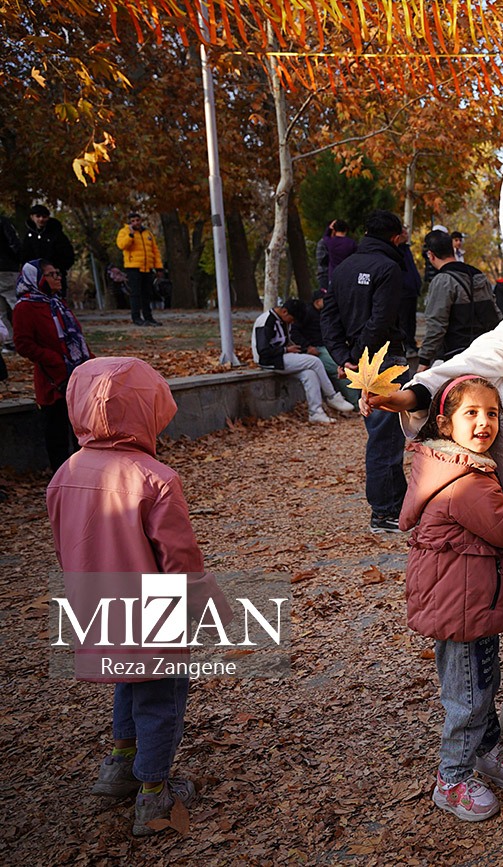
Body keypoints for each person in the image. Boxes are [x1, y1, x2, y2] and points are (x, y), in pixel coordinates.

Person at [46, 356, 231, 837]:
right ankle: (153, 792)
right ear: (148, 410)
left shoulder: (65, 473)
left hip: (96, 607)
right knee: (160, 695)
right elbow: (180, 558)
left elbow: (64, 544)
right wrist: (208, 609)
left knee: (128, 681)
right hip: (153, 611)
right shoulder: (155, 478)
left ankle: (119, 765)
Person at [399, 374, 503, 822]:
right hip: (461, 606)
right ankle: (452, 779)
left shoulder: (456, 465)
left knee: (481, 681)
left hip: (467, 601)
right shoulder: (464, 480)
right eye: (472, 413)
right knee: (468, 694)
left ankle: (484, 748)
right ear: (445, 424)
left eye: (492, 413)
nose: (484, 422)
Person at [321, 210, 412, 533]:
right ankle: (385, 513)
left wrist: (343, 356)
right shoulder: (389, 268)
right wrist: (357, 357)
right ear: (394, 237)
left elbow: (329, 318)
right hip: (384, 359)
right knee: (386, 438)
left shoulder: (343, 268)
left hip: (359, 360)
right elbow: (381, 319)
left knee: (383, 435)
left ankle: (396, 506)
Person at [12, 260, 92, 470]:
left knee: (82, 431)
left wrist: (91, 362)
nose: (58, 277)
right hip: (53, 380)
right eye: (52, 274)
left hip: (77, 375)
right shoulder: (25, 307)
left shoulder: (57, 303)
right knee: (57, 433)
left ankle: (86, 474)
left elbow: (76, 337)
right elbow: (23, 344)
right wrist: (54, 360)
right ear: (38, 279)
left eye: (58, 273)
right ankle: (62, 478)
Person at [252, 300, 355, 424]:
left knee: (310, 375)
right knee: (315, 361)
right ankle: (332, 396)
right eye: (292, 319)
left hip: (281, 357)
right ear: (284, 312)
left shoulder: (282, 320)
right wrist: (286, 350)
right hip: (269, 360)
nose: (292, 322)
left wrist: (294, 349)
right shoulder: (266, 321)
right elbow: (263, 351)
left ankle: (315, 412)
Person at [417, 230, 499, 370]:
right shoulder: (479, 275)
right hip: (485, 351)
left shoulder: (443, 280)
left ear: (431, 255)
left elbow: (437, 325)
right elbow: (495, 313)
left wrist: (424, 360)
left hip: (456, 356)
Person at [115, 212, 163, 327]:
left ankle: (148, 317)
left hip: (147, 267)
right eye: (133, 221)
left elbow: (155, 251)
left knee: (147, 293)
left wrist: (158, 267)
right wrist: (130, 235)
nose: (136, 223)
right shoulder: (124, 232)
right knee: (135, 293)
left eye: (137, 220)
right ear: (129, 222)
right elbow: (122, 245)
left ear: (141, 220)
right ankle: (136, 317)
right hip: (133, 267)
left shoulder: (148, 233)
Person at [21, 205, 75, 291]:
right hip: (36, 277)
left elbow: (67, 253)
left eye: (44, 217)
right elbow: (25, 255)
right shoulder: (29, 236)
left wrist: (59, 268)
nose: (41, 219)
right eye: (38, 216)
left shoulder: (56, 234)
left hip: (55, 275)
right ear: (32, 217)